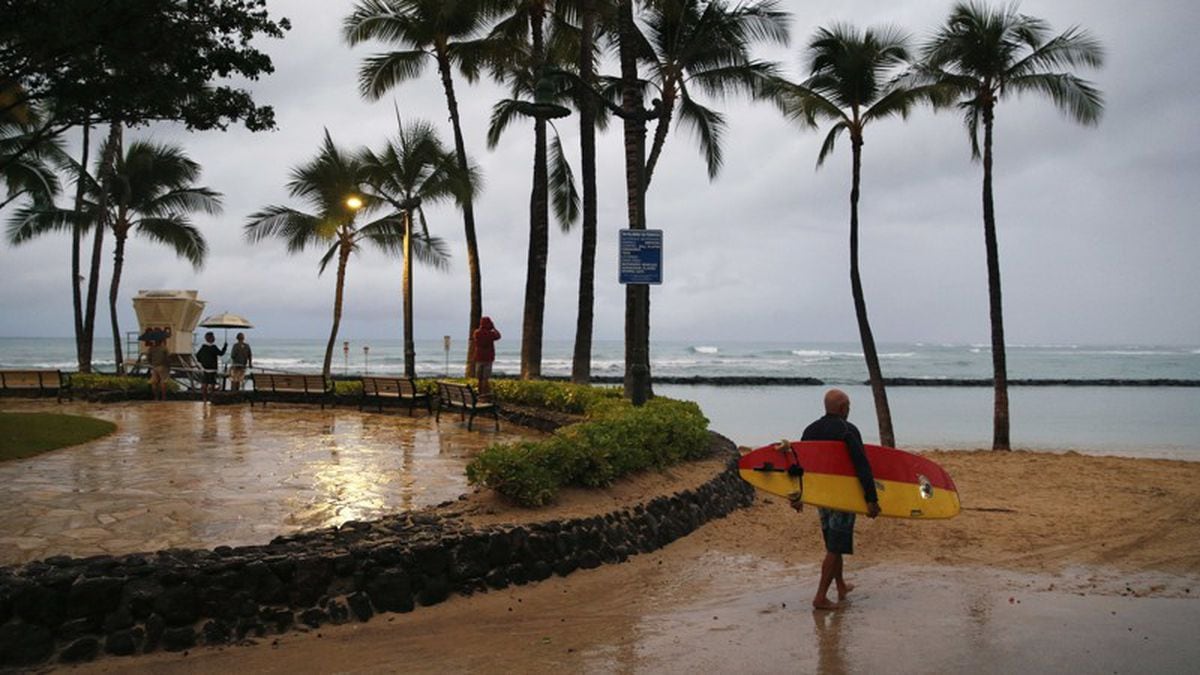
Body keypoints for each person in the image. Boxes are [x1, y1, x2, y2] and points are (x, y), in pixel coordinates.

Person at [794, 388, 881, 610]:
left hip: (821, 497)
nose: (849, 410)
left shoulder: (810, 430)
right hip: (842, 497)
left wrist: (798, 495)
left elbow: (800, 465)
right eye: (849, 407)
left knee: (834, 543)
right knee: (835, 546)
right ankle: (820, 597)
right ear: (843, 408)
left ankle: (841, 585)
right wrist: (871, 498)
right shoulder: (847, 430)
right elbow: (862, 465)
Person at [472, 316, 501, 397]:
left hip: (478, 358)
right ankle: (484, 395)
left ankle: (479, 393)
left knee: (479, 379)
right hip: (488, 358)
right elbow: (498, 336)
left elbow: (474, 338)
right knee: (485, 379)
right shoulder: (490, 334)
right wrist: (494, 328)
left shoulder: (476, 333)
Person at [195, 331, 227, 403]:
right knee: (212, 384)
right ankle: (212, 398)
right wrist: (225, 347)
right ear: (211, 338)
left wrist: (202, 363)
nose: (214, 338)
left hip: (205, 368)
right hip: (212, 369)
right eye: (213, 337)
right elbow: (221, 353)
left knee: (205, 384)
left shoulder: (203, 347)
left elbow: (197, 356)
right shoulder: (213, 347)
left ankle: (205, 399)